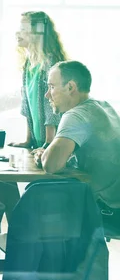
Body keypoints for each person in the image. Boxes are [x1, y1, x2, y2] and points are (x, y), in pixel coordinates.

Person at [35, 60, 120, 231]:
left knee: (36, 197)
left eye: (51, 87)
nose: (47, 95)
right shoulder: (103, 106)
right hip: (114, 204)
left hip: (109, 210)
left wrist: (44, 155)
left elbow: (51, 165)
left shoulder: (77, 115)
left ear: (70, 87)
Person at [10, 11, 68, 150]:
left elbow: (52, 105)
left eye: (23, 29)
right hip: (38, 143)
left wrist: (49, 143)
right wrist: (28, 141)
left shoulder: (50, 62)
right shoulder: (28, 64)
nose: (18, 33)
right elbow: (27, 104)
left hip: (53, 144)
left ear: (38, 33)